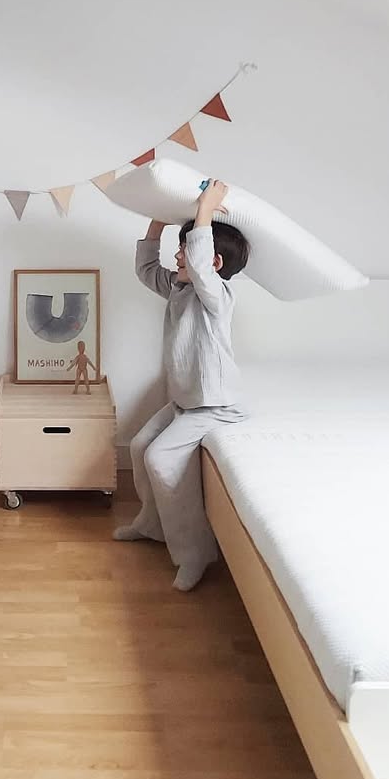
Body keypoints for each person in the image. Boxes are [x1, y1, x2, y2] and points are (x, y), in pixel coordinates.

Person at [114, 179, 249, 591]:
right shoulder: (180, 287)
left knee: (161, 458)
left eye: (184, 250)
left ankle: (195, 552)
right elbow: (145, 269)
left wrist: (206, 208)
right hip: (185, 401)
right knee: (139, 446)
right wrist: (158, 219)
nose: (178, 256)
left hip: (214, 405)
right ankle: (152, 524)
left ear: (213, 263)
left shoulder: (216, 296)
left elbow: (201, 264)